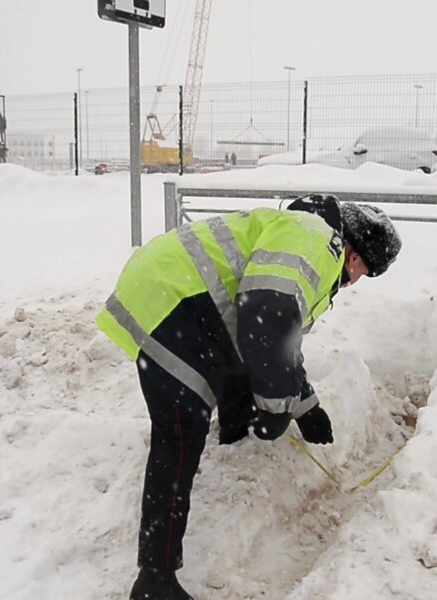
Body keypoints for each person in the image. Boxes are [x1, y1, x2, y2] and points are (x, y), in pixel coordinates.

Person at [96, 194, 401, 600]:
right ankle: (155, 579)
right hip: (173, 299)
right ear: (356, 256)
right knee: (180, 434)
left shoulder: (306, 243)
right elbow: (267, 312)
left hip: (177, 294)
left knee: (243, 367)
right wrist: (276, 408)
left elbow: (280, 342)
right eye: (369, 271)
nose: (360, 280)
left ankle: (235, 432)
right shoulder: (318, 241)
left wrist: (305, 406)